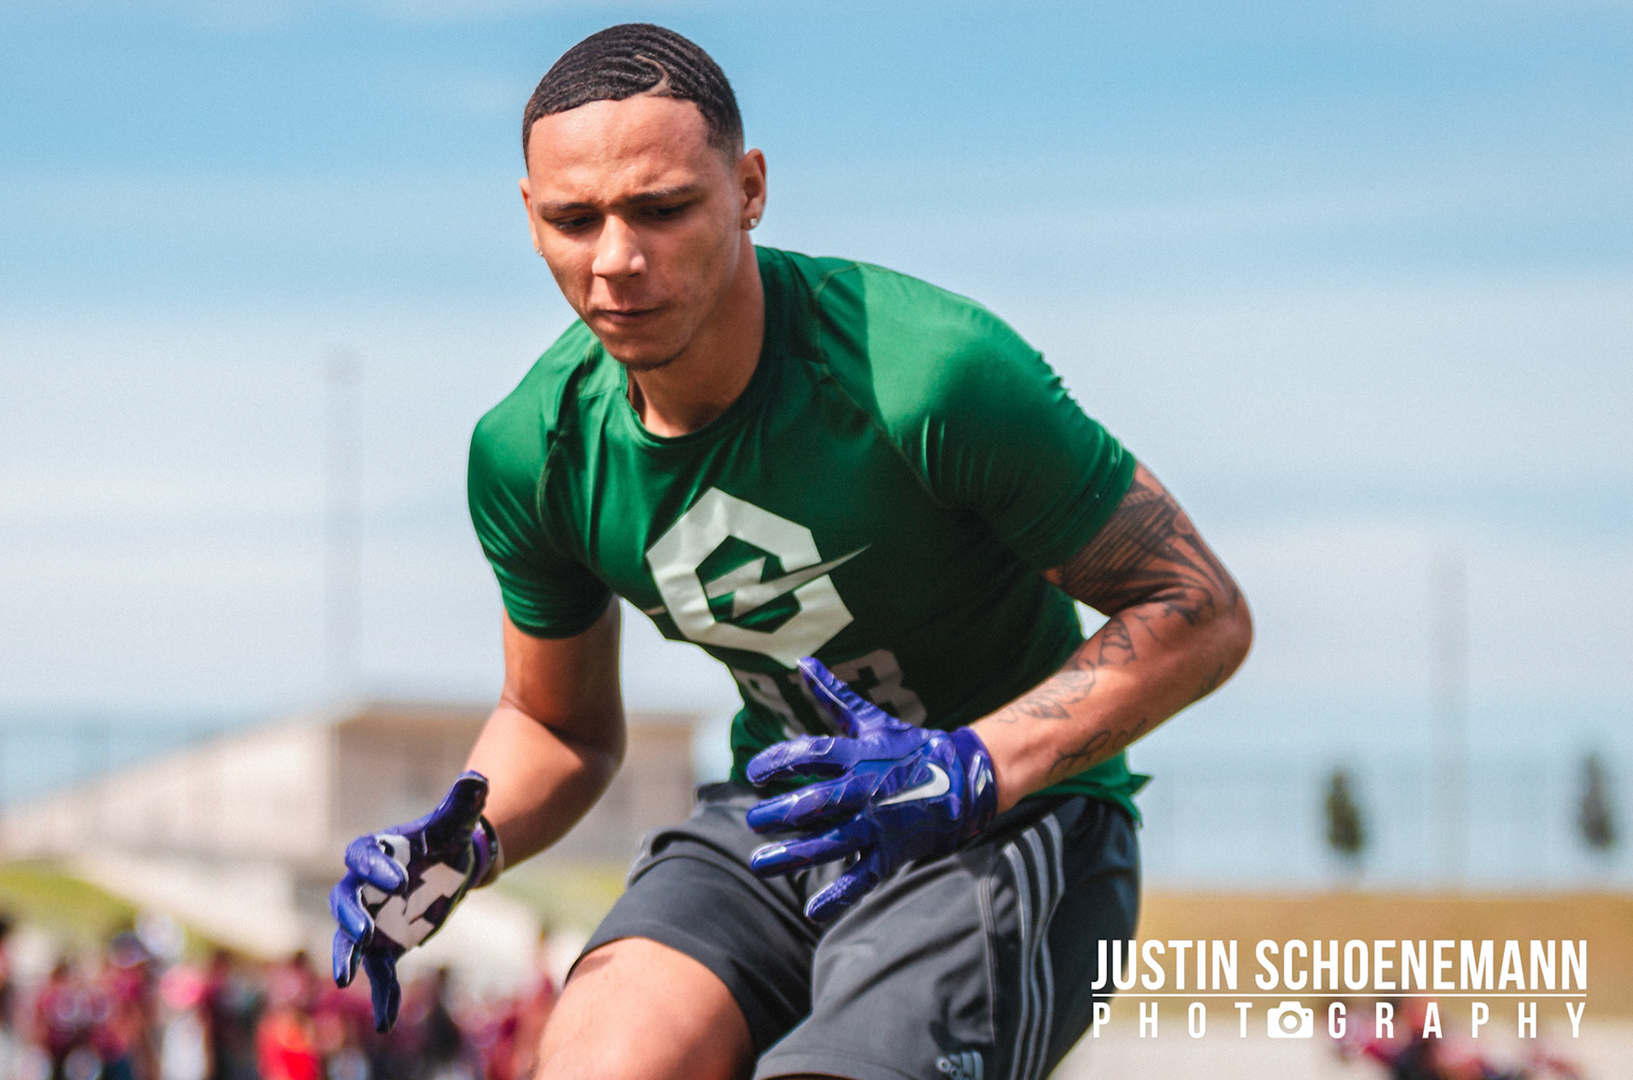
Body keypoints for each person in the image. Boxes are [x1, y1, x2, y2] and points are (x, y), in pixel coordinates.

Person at [330, 22, 1251, 1080]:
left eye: (663, 208)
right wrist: (465, 845)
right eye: (575, 221)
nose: (617, 259)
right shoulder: (530, 453)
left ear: (750, 189)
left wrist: (970, 767)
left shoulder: (928, 376)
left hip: (1012, 824)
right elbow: (555, 724)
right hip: (784, 822)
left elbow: (1200, 610)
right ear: (531, 218)